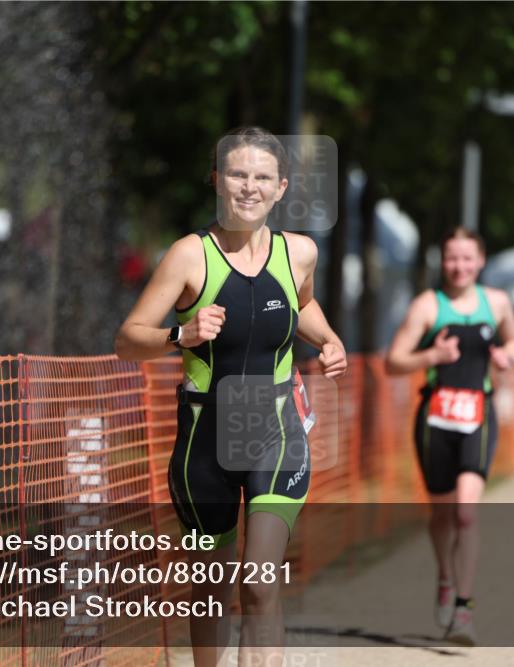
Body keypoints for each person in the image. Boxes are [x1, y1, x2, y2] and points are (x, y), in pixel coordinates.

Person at [115, 127, 346, 667]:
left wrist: (330, 340)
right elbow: (128, 340)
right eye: (238, 174)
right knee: (211, 588)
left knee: (260, 582)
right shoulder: (189, 256)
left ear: (282, 187)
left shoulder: (300, 253)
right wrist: (182, 335)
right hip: (204, 441)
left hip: (275, 431)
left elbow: (302, 305)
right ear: (217, 180)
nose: (250, 187)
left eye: (262, 177)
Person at [384, 227, 514, 646]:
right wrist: (432, 355)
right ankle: (445, 578)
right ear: (441, 262)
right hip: (435, 419)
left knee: (466, 512)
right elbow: (393, 361)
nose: (459, 266)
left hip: (479, 416)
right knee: (442, 515)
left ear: (480, 260)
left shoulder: (496, 302)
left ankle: (464, 608)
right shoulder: (427, 307)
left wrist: (508, 354)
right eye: (451, 258)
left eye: (467, 258)